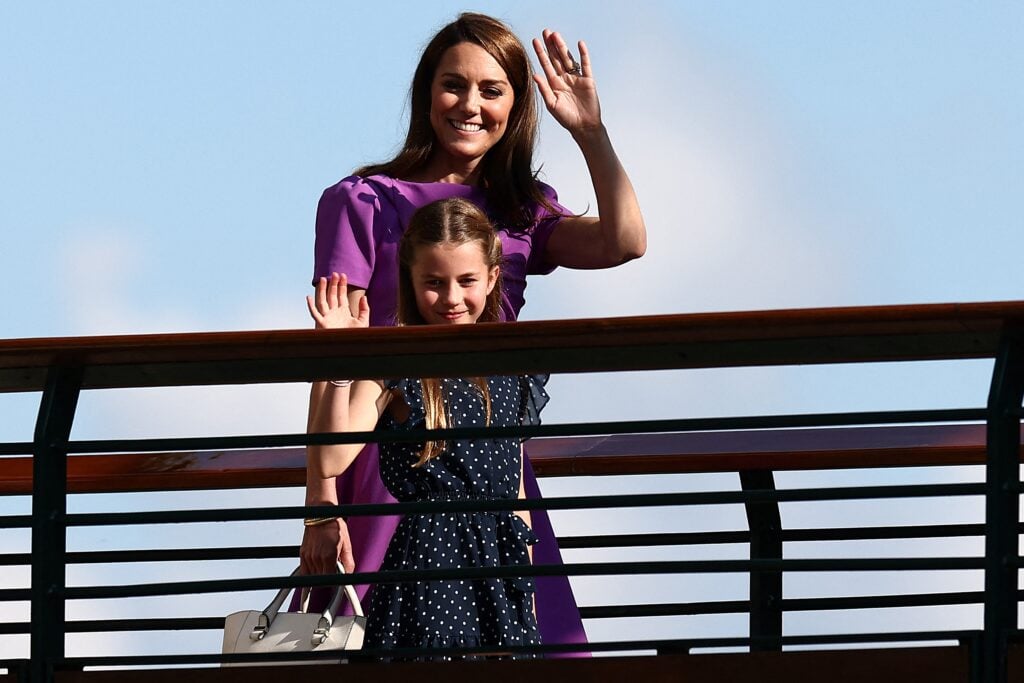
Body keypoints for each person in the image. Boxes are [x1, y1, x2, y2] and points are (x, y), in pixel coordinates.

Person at [302, 12, 646, 653]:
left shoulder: (521, 206)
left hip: (490, 467)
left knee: (525, 647)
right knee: (371, 645)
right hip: (385, 457)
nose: (470, 104)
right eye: (453, 85)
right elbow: (333, 350)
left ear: (515, 106)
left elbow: (624, 242)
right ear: (426, 93)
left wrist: (591, 133)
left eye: (492, 90)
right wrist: (321, 504)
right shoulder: (361, 201)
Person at [306, 198, 545, 657]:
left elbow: (515, 494)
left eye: (467, 281)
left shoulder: (510, 368)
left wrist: (527, 586)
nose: (452, 298)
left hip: (501, 565)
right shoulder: (396, 366)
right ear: (410, 283)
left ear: (493, 277)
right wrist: (338, 365)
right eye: (434, 283)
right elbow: (332, 458)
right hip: (429, 561)